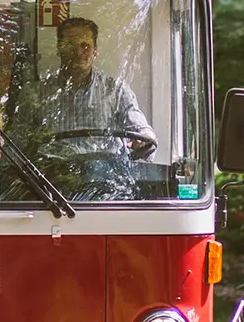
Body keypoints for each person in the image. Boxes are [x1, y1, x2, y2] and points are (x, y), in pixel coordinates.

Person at [23, 17, 156, 200]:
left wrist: (145, 138)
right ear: (58, 49)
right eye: (70, 44)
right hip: (50, 190)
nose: (77, 52)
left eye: (84, 45)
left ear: (95, 51)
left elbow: (140, 129)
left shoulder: (115, 90)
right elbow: (18, 141)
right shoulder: (35, 93)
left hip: (108, 189)